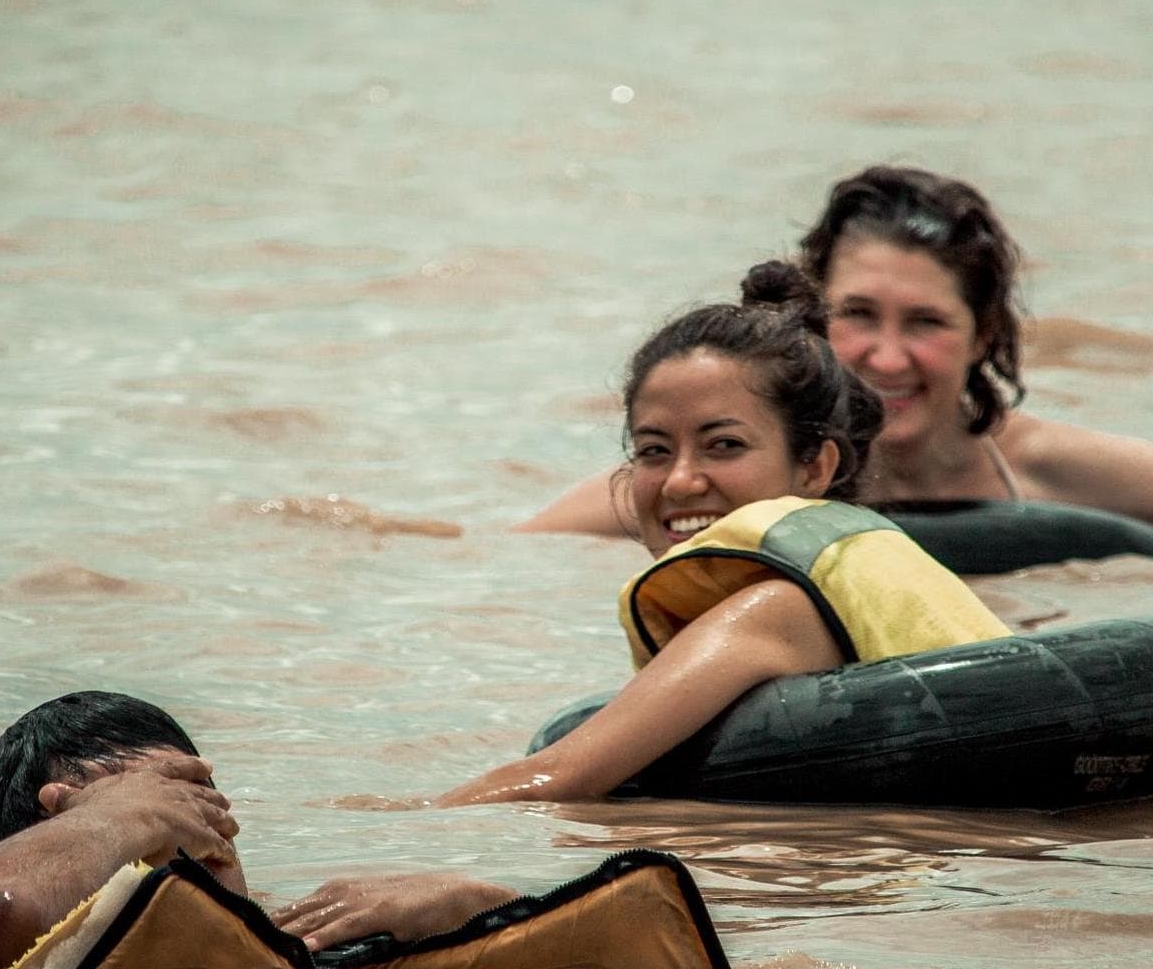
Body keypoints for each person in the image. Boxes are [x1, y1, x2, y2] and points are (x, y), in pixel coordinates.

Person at [519, 165, 1153, 566]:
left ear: (982, 336)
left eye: (925, 323)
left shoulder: (1069, 474)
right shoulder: (718, 472)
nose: (884, 357)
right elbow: (513, 557)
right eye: (857, 315)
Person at [430, 261, 1011, 809]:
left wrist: (378, 827)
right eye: (654, 451)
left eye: (724, 445)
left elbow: (554, 781)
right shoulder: (846, 574)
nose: (680, 481)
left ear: (815, 467)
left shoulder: (778, 608)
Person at [0, 691, 516, 969]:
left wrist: (483, 910)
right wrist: (116, 818)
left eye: (197, 802)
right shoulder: (13, 960)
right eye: (157, 812)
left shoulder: (313, 940)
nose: (200, 840)